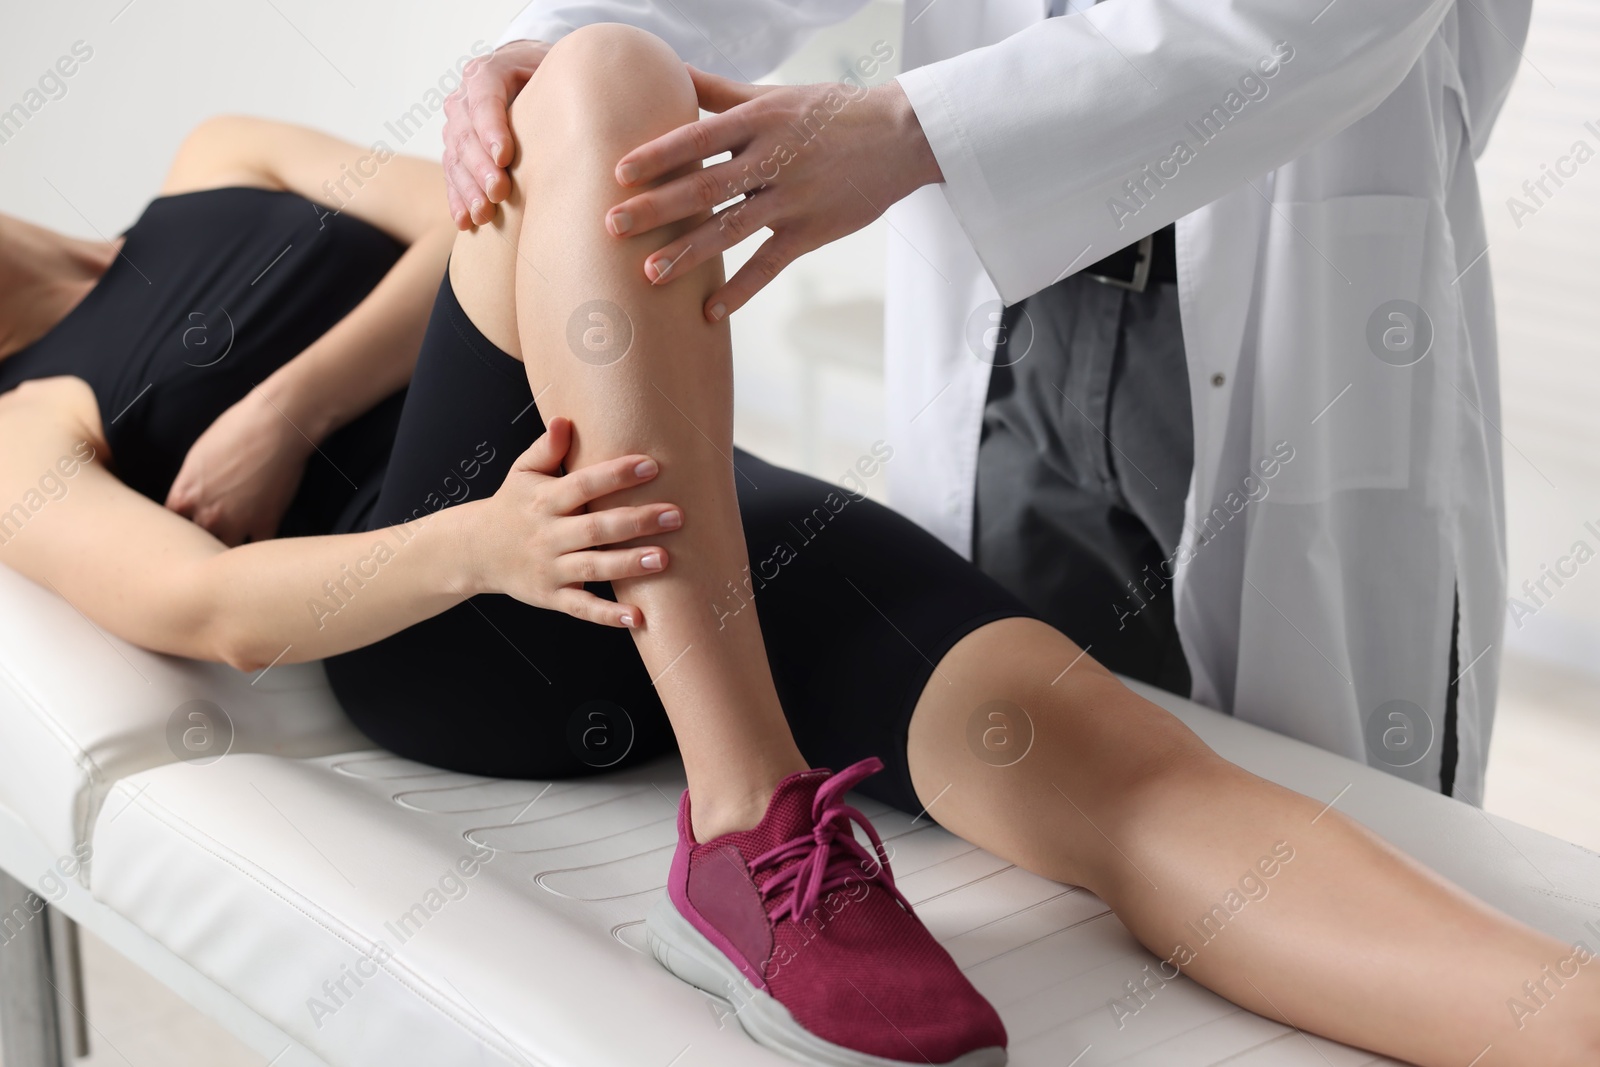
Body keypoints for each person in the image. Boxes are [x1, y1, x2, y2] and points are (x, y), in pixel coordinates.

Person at [1, 24, 1595, 1067]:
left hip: (702, 512)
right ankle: (751, 820)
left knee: (1124, 768)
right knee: (615, 78)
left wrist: (283, 399)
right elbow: (209, 608)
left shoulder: (215, 155)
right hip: (456, 608)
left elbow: (490, 213)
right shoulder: (13, 424)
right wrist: (481, 548)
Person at [444, 0, 1531, 803]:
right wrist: (563, 38)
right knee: (1041, 789)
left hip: (1285, 297)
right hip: (1011, 312)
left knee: (1329, 810)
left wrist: (919, 130)